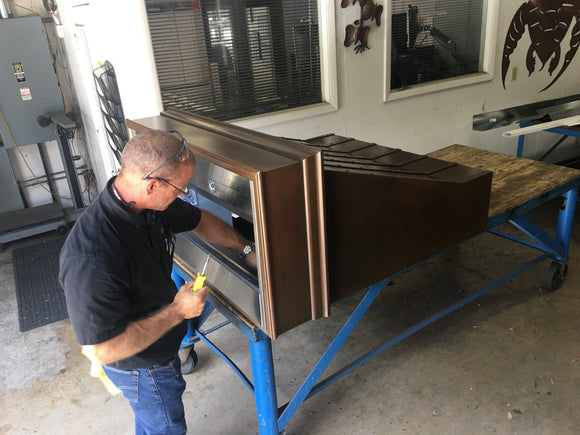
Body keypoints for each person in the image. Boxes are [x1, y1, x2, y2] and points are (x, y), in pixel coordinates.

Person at [59, 129, 256, 435]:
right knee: (166, 427)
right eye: (181, 189)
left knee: (153, 425)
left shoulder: (147, 204)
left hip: (159, 347)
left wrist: (246, 249)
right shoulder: (92, 257)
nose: (183, 194)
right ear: (152, 185)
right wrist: (178, 311)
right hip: (142, 366)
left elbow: (200, 220)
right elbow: (103, 350)